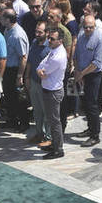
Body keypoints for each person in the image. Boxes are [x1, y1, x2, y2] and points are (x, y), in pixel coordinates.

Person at [73, 15, 102, 147]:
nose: (87, 29)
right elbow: (76, 55)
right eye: (85, 27)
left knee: (92, 105)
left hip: (93, 75)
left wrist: (82, 74)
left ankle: (95, 135)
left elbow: (97, 62)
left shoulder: (100, 39)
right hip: (81, 73)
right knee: (84, 103)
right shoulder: (81, 35)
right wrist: (77, 71)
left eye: (90, 27)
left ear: (95, 26)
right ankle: (90, 128)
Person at [36, 28, 67, 160]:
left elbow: (44, 70)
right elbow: (40, 66)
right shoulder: (54, 51)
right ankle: (54, 144)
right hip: (49, 90)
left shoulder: (58, 57)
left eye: (52, 39)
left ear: (60, 41)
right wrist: (40, 70)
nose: (49, 40)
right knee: (52, 120)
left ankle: (58, 149)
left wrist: (40, 70)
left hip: (53, 92)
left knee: (54, 122)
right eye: (49, 38)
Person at [0, 9, 30, 131]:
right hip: (7, 69)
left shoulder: (18, 35)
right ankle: (12, 120)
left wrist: (20, 76)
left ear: (8, 19)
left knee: (19, 98)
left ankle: (23, 123)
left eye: (2, 18)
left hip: (15, 70)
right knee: (9, 97)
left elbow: (23, 57)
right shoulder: (7, 30)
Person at [25, 21, 51, 146]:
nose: (37, 34)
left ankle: (48, 137)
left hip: (44, 84)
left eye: (40, 32)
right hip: (34, 82)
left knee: (46, 112)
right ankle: (39, 133)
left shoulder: (50, 47)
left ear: (47, 33)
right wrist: (27, 77)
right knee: (37, 111)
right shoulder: (34, 43)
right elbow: (29, 61)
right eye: (36, 31)